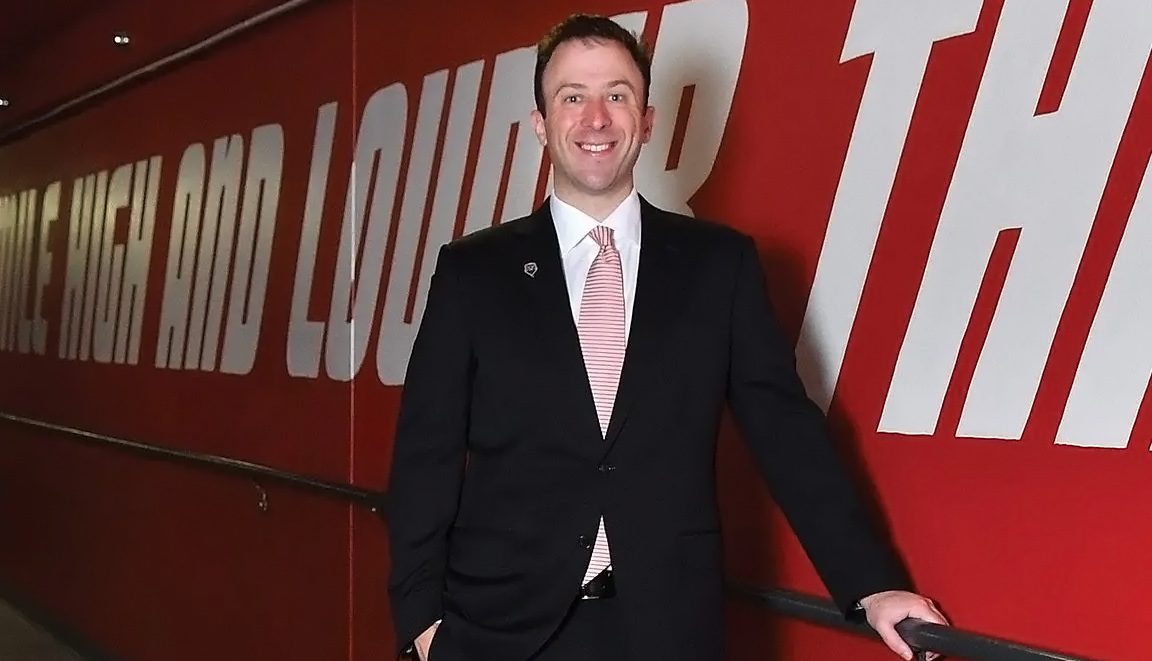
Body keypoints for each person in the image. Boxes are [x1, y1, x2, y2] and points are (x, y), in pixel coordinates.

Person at [384, 13, 947, 661]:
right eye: (573, 97)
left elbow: (787, 432)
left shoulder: (719, 266)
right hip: (499, 632)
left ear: (646, 120)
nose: (596, 118)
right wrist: (421, 621)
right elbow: (425, 455)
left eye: (617, 95)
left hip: (667, 629)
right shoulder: (472, 272)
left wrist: (873, 586)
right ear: (540, 124)